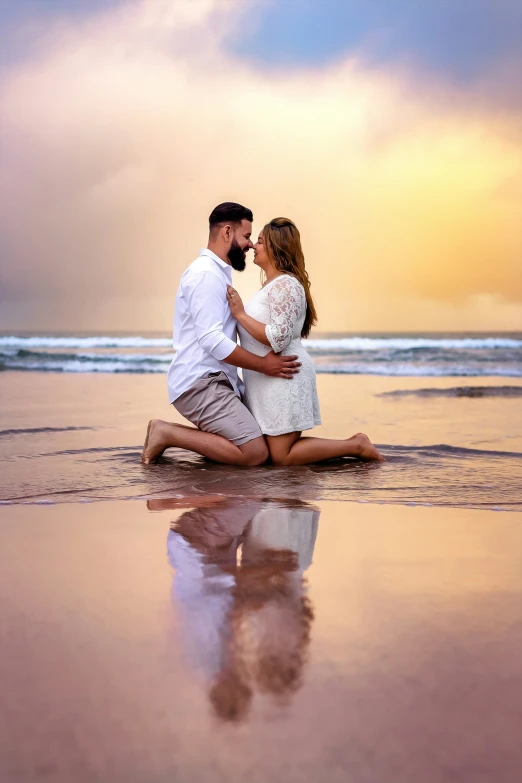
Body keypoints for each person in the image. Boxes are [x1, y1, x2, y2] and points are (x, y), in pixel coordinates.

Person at [141, 203, 300, 466]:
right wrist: (263, 365)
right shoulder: (205, 274)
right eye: (247, 236)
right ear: (227, 232)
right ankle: (165, 433)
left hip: (212, 381)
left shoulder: (217, 273)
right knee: (255, 453)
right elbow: (212, 340)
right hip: (201, 383)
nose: (250, 245)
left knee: (256, 445)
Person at [226, 217, 383, 464]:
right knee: (271, 454)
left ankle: (356, 445)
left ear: (277, 247)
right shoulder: (273, 286)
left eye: (259, 241)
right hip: (269, 380)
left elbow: (277, 338)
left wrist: (240, 315)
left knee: (282, 455)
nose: (254, 247)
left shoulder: (286, 285)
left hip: (286, 375)